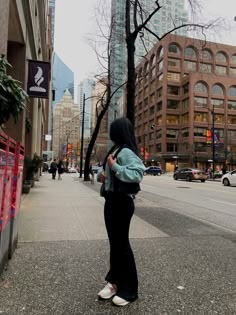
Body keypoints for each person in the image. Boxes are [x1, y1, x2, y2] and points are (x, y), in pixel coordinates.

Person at [97, 117, 146, 307]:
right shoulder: (115, 150)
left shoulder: (125, 151)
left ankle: (130, 289)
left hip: (122, 203)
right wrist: (102, 176)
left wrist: (114, 167)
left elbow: (138, 173)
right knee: (115, 245)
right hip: (111, 201)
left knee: (122, 245)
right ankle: (115, 282)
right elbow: (110, 176)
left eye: (113, 130)